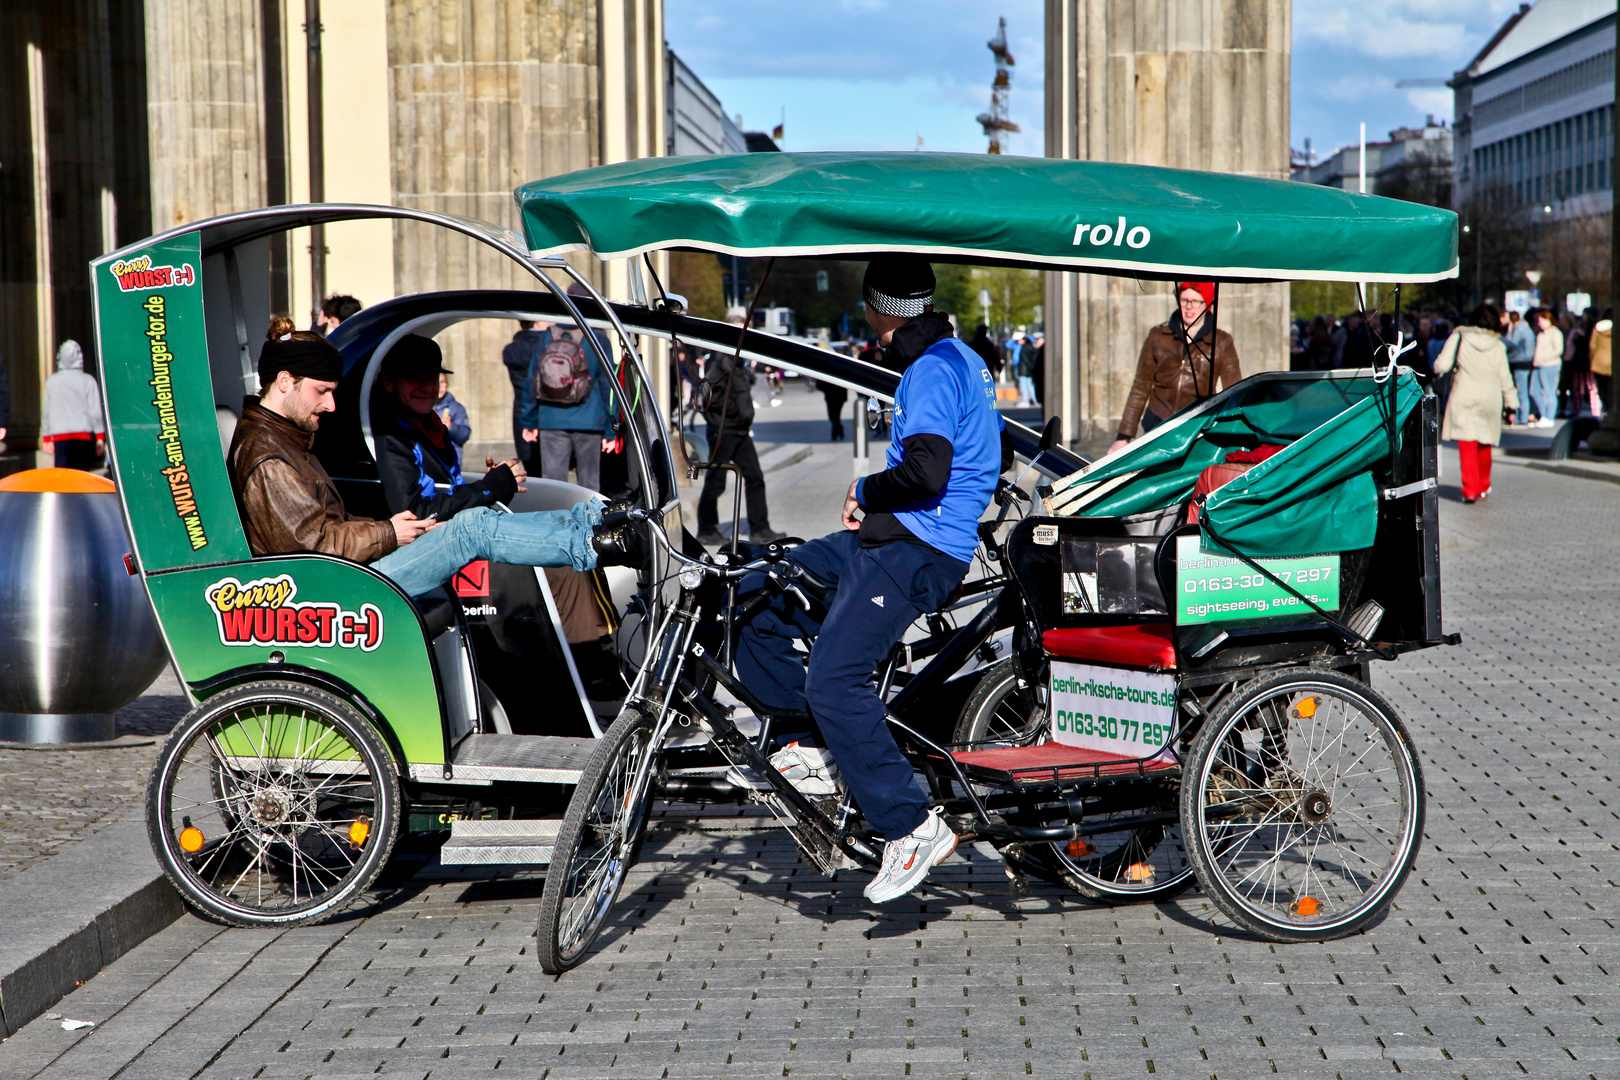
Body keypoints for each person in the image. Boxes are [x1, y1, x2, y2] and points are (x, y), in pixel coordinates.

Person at [732, 256, 1008, 904]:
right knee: (756, 593)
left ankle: (911, 825)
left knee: (835, 676)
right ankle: (821, 746)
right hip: (885, 537)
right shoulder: (956, 358)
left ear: (875, 308)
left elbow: (927, 474)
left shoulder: (936, 368)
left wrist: (863, 487)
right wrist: (877, 506)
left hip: (916, 551)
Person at [228, 321, 643, 600]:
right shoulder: (268, 456)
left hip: (340, 576)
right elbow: (311, 546)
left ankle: (597, 521)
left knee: (477, 524)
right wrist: (388, 532)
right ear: (285, 382)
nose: (332, 405)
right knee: (469, 531)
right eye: (322, 391)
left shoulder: (287, 440)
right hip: (327, 595)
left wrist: (385, 530)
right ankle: (593, 542)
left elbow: (324, 530)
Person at [373, 334, 518, 519]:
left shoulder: (433, 427)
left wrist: (496, 485)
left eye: (432, 379)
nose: (427, 388)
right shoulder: (390, 436)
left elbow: (453, 489)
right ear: (389, 383)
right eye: (416, 379)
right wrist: (487, 488)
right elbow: (414, 512)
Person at [1110, 282, 1241, 454]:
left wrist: (1236, 436)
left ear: (1207, 304)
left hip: (1198, 428)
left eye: (1196, 301)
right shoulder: (1158, 336)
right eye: (1184, 299)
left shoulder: (1222, 342)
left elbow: (1235, 392)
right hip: (1157, 424)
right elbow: (1140, 387)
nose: (1189, 306)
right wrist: (1123, 436)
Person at [519, 290, 617, 492]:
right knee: (589, 486)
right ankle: (590, 523)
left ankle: (555, 522)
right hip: (590, 420)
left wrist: (529, 421)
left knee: (554, 487)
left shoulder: (548, 336)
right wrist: (611, 429)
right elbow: (609, 388)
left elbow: (532, 380)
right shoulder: (598, 338)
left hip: (551, 419)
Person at [695, 341, 782, 545]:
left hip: (740, 430)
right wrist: (733, 410)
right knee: (716, 482)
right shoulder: (718, 361)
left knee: (755, 477)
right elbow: (708, 396)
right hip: (723, 430)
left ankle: (760, 528)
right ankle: (706, 529)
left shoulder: (737, 361)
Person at [1432, 304, 1517, 504]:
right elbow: (1505, 377)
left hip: (1465, 393)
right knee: (1484, 442)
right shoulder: (1498, 345)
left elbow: (1442, 365)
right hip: (1491, 396)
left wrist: (1435, 369)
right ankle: (1483, 485)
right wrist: (1511, 404)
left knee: (1467, 442)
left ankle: (1469, 489)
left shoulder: (1459, 336)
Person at [42, 340, 105, 470]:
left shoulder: (52, 382)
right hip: (83, 438)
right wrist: (99, 437)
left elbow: (47, 412)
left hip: (60, 439)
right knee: (81, 479)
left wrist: (47, 437)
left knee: (64, 480)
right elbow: (95, 411)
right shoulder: (88, 381)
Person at [502, 320, 546, 466]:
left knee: (531, 470)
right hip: (546, 412)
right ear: (538, 322)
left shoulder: (511, 349)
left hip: (521, 411)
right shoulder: (547, 346)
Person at [1529, 308, 1563, 428]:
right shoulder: (1541, 334)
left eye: (1541, 321)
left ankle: (1549, 417)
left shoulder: (1555, 333)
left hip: (1550, 365)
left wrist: (1543, 358)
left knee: (1549, 391)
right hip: (1538, 364)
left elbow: (1558, 350)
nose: (1539, 323)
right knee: (1534, 391)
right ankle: (1544, 415)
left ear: (1548, 320)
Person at [1503, 309, 1536, 425]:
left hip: (1520, 362)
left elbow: (1511, 344)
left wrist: (1509, 331)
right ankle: (1521, 416)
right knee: (1523, 390)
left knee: (1521, 391)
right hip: (1525, 361)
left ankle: (1522, 417)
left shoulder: (1518, 330)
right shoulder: (1526, 329)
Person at [435, 371, 471, 470]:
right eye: (436, 382)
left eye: (442, 382)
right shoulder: (424, 407)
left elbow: (464, 435)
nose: (439, 386)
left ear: (446, 384)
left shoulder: (457, 408)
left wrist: (451, 427)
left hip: (452, 462)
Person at [1592, 310, 1613, 416]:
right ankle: (1610, 409)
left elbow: (1592, 346)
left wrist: (1592, 359)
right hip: (1613, 363)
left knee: (1602, 389)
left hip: (1599, 362)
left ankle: (1605, 409)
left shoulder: (1598, 328)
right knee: (1611, 388)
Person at [1015, 326, 1040, 407]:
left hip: (1023, 370)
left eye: (1020, 340)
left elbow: (1024, 359)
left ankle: (1025, 401)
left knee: (1024, 386)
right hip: (1029, 370)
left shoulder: (1024, 348)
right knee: (1030, 386)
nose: (1019, 341)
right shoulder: (1031, 347)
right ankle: (1035, 400)